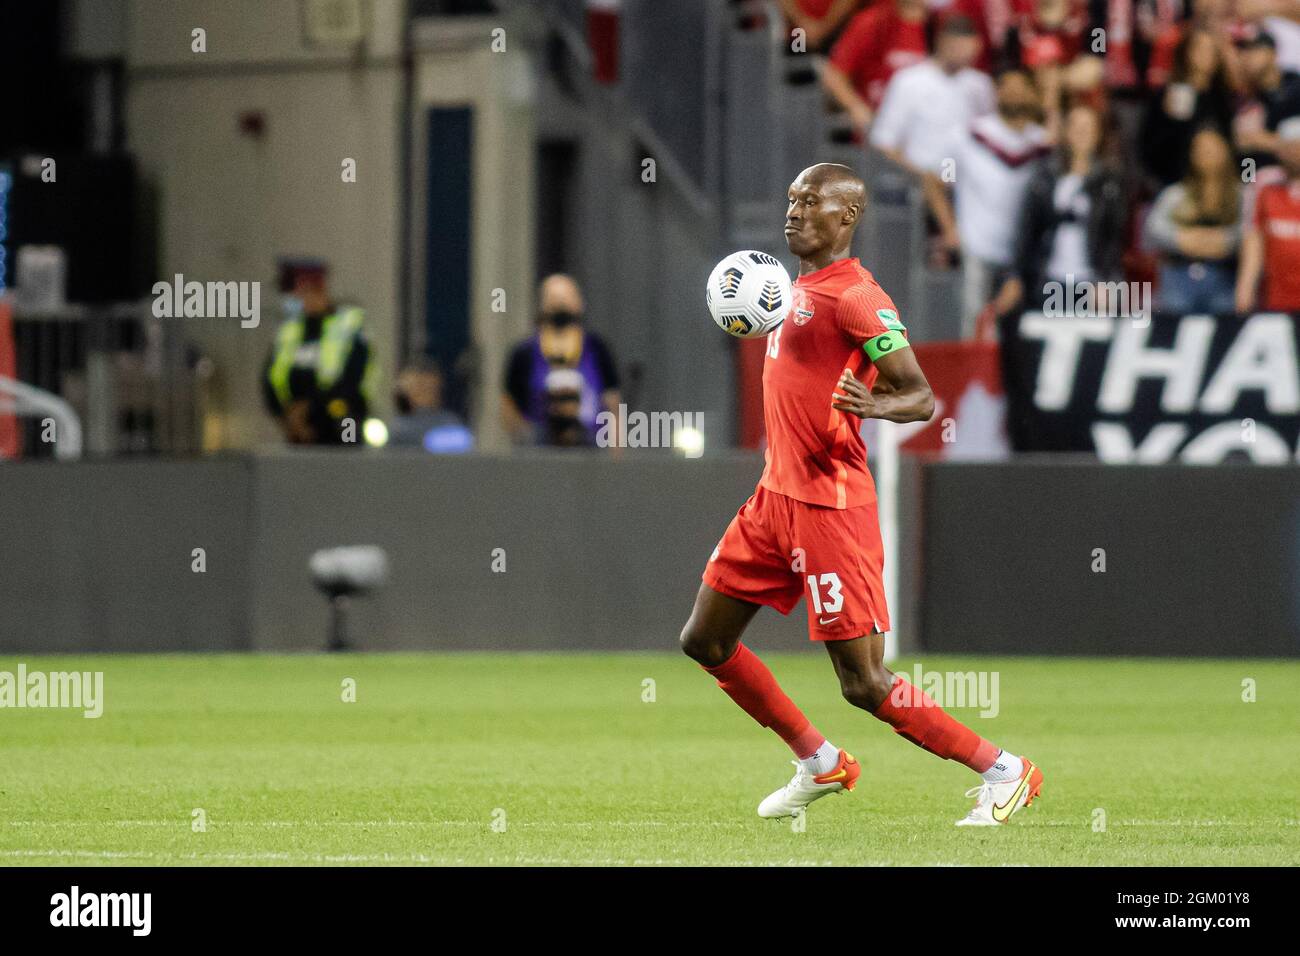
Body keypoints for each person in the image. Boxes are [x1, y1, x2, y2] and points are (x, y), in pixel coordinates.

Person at [678, 163, 1043, 827]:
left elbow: (922, 394)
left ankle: (1005, 770)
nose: (793, 213)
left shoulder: (855, 295)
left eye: (809, 203)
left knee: (863, 683)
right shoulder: (788, 290)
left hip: (829, 505)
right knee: (704, 641)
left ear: (845, 217)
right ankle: (820, 762)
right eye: (789, 200)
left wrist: (876, 404)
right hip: (772, 500)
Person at [923, 66, 1052, 335]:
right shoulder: (969, 137)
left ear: (1033, 94)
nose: (1015, 96)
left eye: (1022, 89)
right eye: (1008, 88)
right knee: (971, 327)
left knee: (1018, 332)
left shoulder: (1041, 145)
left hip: (1022, 255)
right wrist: (949, 228)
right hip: (977, 247)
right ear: (996, 93)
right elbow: (936, 179)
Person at [999, 103, 1126, 314]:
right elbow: (1027, 230)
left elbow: (1112, 239)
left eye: (1088, 128)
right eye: (1076, 127)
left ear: (1098, 134)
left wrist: (1106, 280)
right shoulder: (1044, 176)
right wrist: (1015, 276)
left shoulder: (1110, 182)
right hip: (1049, 277)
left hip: (1091, 281)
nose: (1081, 134)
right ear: (1066, 132)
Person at [262, 259, 376, 446]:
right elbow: (271, 377)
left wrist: (308, 408)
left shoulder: (350, 323)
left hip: (344, 421)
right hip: (299, 429)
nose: (291, 300)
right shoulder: (290, 330)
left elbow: (353, 377)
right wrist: (287, 417)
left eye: (295, 293)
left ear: (314, 289)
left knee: (349, 461)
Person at [501, 273, 622, 448]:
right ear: (542, 306)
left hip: (591, 449)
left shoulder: (597, 349)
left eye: (566, 299)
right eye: (554, 300)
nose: (560, 306)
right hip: (541, 448)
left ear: (579, 304)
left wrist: (615, 452)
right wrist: (524, 441)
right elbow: (509, 407)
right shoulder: (524, 353)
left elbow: (613, 404)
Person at [869, 14, 997, 178]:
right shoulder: (909, 80)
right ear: (941, 42)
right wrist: (925, 180)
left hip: (962, 183)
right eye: (955, 45)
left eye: (967, 46)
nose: (962, 52)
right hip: (913, 181)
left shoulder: (980, 85)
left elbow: (989, 136)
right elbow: (884, 141)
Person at [1145, 127, 1246, 314]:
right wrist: (1181, 239)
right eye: (1200, 149)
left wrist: (1224, 241)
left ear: (1226, 151)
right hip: (1178, 276)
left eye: (1212, 148)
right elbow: (1153, 228)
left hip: (1225, 276)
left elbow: (1248, 229)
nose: (1206, 154)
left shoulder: (1241, 195)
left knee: (1222, 335)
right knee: (1173, 333)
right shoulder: (1176, 193)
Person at [1139, 26, 1237, 187]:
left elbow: (1230, 144)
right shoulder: (1167, 95)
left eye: (1211, 50)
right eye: (1200, 49)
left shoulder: (1223, 99)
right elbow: (1149, 150)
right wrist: (1170, 119)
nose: (1205, 56)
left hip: (1214, 185)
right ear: (1186, 52)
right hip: (1172, 182)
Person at [821, 0, 929, 133]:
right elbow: (834, 75)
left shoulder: (939, 24)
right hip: (877, 127)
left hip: (922, 129)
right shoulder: (873, 21)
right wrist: (856, 107)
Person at [1235, 121, 1300, 311]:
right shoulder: (1263, 182)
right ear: (1279, 150)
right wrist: (1244, 293)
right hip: (1275, 300)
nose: (1295, 153)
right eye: (1290, 147)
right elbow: (1253, 241)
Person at [1233, 27, 1300, 182]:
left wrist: (1262, 141)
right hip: (1264, 187)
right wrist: (1248, 182)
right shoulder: (1246, 101)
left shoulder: (1295, 87)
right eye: (1242, 51)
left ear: (1272, 53)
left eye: (1254, 49)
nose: (1247, 56)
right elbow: (1247, 157)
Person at [388, 359, 472, 453]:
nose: (426, 393)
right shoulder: (398, 426)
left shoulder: (450, 422)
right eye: (419, 388)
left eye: (430, 389)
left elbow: (462, 442)